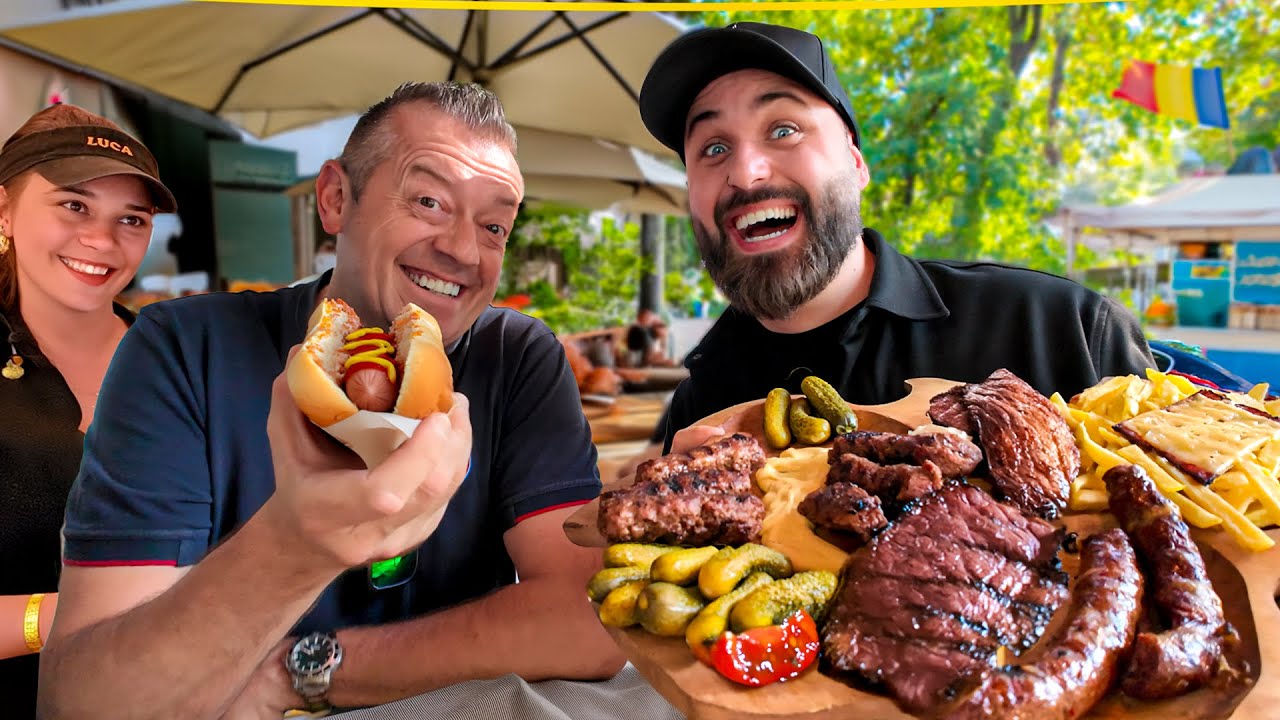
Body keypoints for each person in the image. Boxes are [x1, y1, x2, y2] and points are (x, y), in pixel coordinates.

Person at [37, 82, 623, 718]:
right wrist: (295, 545)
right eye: (429, 201)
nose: (463, 250)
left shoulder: (514, 355)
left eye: (494, 226)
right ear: (336, 198)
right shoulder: (183, 347)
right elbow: (85, 703)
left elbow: (589, 621)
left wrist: (300, 671)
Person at [634, 21, 1156, 454]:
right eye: (714, 149)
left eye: (784, 129)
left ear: (857, 164)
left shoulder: (1064, 329)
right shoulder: (701, 400)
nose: (745, 172)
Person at [0, 103, 177, 717]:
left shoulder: (180, 363)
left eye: (131, 218)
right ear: (3, 210)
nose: (102, 241)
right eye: (73, 205)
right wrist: (66, 617)